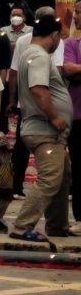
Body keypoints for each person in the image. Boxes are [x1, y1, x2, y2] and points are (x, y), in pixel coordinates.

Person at [11, 15, 79, 241]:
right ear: (55, 35)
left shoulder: (29, 53)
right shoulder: (39, 55)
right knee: (50, 178)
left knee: (62, 177)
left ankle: (57, 226)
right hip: (45, 130)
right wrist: (55, 117)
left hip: (45, 130)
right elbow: (39, 89)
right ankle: (22, 226)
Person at [7, 5, 63, 198]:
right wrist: (54, 114)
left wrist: (13, 98)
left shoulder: (26, 42)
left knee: (24, 147)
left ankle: (18, 187)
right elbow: (43, 83)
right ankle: (36, 189)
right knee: (46, 154)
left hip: (30, 104)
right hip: (43, 107)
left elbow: (14, 72)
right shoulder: (42, 48)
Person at [60, 27, 81, 224]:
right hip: (77, 116)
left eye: (78, 13)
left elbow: (76, 70)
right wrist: (74, 71)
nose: (75, 16)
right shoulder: (72, 44)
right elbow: (68, 70)